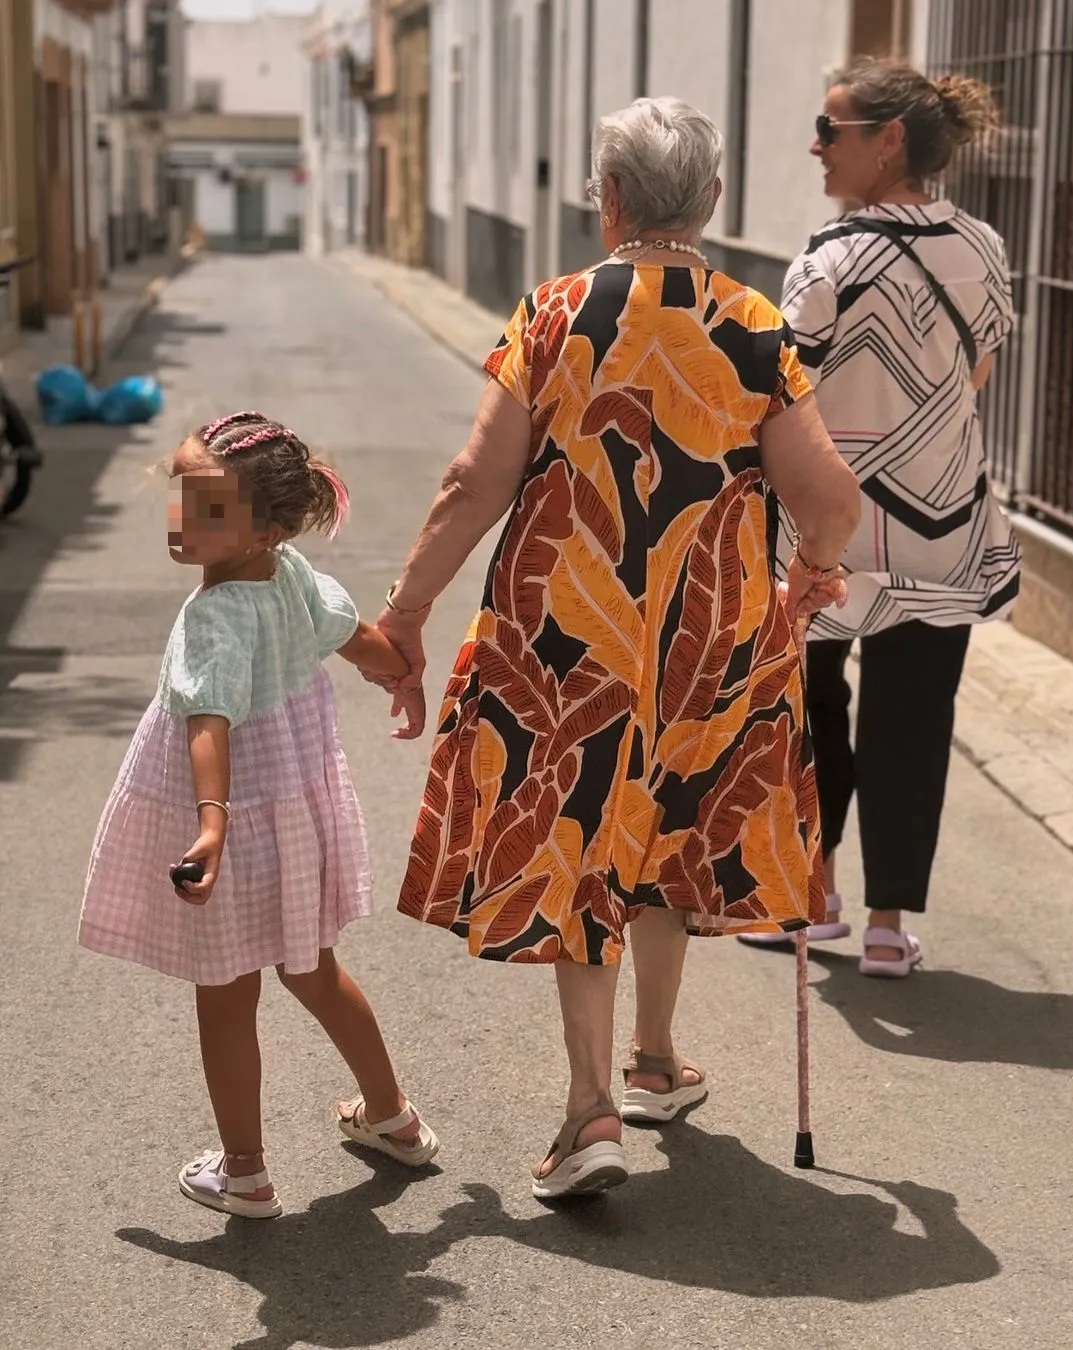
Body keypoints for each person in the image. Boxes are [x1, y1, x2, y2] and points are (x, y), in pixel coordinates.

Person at [372, 97, 860, 1198]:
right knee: (671, 825)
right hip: (710, 637)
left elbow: (472, 485)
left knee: (586, 837)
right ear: (714, 203)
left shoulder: (556, 311)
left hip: (568, 632)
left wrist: (405, 613)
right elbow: (828, 496)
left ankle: (598, 1103)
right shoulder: (751, 324)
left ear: (611, 201)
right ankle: (652, 1061)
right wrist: (811, 574)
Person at [78, 411, 438, 1220]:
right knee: (314, 969)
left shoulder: (211, 618)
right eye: (184, 499)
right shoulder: (289, 572)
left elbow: (207, 722)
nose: (183, 522)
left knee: (225, 993)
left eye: (209, 511)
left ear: (266, 526)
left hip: (237, 827)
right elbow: (356, 640)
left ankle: (244, 1173)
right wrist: (403, 680)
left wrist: (210, 824)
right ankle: (394, 1119)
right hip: (295, 815)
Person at [741, 59, 1020, 977]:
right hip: (943, 519)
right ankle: (889, 927)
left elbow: (788, 394)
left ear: (888, 140)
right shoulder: (981, 246)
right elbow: (976, 370)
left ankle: (812, 899)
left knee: (812, 708)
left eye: (832, 130)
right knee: (916, 717)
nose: (815, 147)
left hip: (832, 522)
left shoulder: (829, 259)